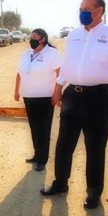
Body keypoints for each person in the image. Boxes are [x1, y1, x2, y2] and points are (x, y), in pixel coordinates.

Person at [41, 0, 108, 210]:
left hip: (98, 97)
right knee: (64, 143)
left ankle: (93, 192)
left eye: (86, 9)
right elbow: (66, 64)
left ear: (99, 11)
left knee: (95, 147)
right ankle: (60, 183)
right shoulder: (73, 35)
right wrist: (58, 87)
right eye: (80, 8)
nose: (81, 12)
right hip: (73, 94)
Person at [14, 28, 62, 172]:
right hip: (29, 96)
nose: (31, 40)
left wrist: (56, 93)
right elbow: (19, 73)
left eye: (34, 37)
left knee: (44, 129)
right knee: (34, 128)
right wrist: (16, 90)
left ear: (43, 39)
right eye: (31, 37)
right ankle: (37, 154)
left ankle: (42, 159)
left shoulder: (52, 53)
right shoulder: (27, 53)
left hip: (45, 97)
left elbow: (60, 74)